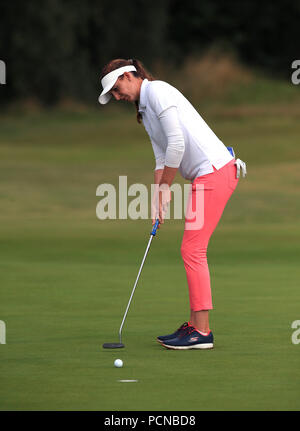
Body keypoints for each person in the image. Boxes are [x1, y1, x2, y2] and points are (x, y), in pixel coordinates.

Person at [98, 58, 246, 350]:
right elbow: (162, 156)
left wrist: (166, 186)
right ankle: (195, 325)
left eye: (117, 89)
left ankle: (202, 333)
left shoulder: (158, 92)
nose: (117, 97)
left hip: (215, 172)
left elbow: (177, 144)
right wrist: (159, 196)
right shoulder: (144, 108)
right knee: (192, 249)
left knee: (193, 249)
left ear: (129, 76)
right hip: (205, 176)